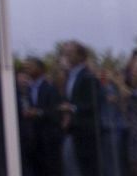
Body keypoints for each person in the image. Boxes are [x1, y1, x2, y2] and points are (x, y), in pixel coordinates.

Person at [59, 41, 100, 175]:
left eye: (70, 53)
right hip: (73, 129)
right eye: (65, 53)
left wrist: (73, 108)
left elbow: (93, 101)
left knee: (87, 167)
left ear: (80, 56)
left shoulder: (87, 75)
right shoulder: (70, 76)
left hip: (86, 130)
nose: (66, 56)